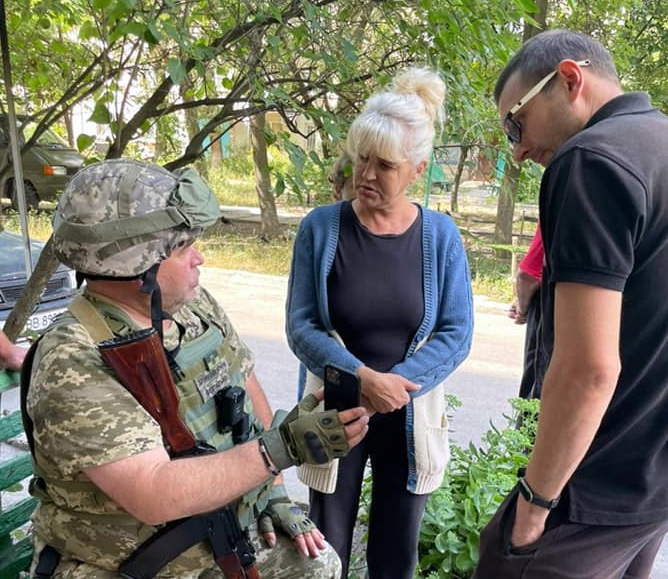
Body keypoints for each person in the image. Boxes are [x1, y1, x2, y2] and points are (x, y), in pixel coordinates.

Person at [22, 159, 370, 578]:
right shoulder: (74, 358)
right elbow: (153, 491)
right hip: (124, 563)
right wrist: (279, 451)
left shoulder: (189, 307)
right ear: (137, 263)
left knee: (318, 565)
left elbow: (242, 380)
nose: (198, 258)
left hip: (214, 535)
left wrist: (272, 491)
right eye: (183, 246)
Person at [474, 29, 668, 578]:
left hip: (596, 486)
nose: (518, 148)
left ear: (569, 80)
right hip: (665, 480)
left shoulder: (590, 161)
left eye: (517, 122)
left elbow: (587, 369)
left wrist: (534, 507)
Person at [285, 67, 474, 579]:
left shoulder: (441, 236)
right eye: (361, 158)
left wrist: (398, 387)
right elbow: (301, 326)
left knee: (396, 558)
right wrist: (362, 379)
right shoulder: (321, 229)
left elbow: (457, 334)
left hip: (410, 416)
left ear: (418, 169)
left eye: (385, 165)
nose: (366, 174)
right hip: (336, 410)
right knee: (325, 552)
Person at [508, 223, 547, 399]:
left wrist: (522, 308)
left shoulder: (567, 200)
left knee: (534, 400)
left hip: (548, 312)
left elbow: (528, 275)